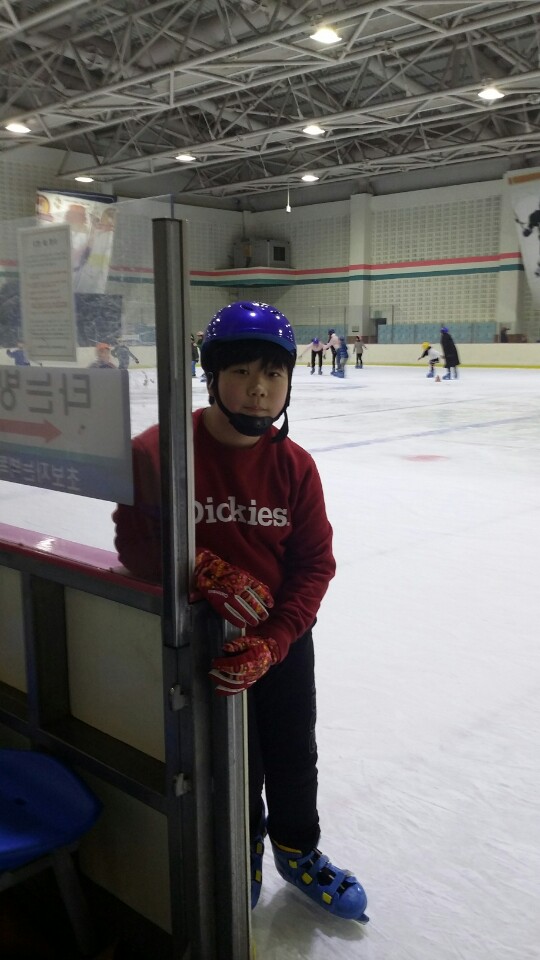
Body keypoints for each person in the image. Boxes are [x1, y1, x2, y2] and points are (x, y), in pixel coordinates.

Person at [113, 300, 368, 924]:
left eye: (273, 373)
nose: (259, 388)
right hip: (202, 641)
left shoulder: (294, 466)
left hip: (282, 640)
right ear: (212, 376)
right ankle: (243, 844)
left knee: (292, 751)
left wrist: (275, 640)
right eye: (241, 371)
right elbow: (134, 544)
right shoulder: (158, 452)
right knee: (231, 760)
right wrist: (197, 567)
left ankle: (297, 851)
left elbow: (315, 565)